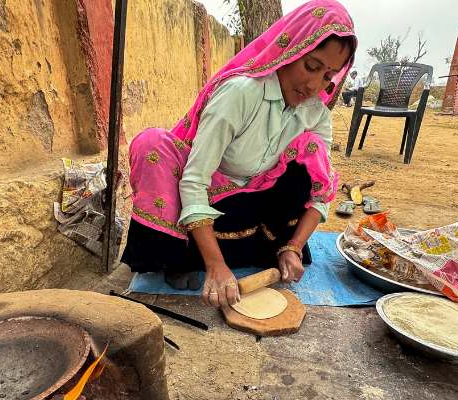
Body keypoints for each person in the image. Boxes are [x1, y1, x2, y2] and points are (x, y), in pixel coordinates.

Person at [121, 0, 357, 309]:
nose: (315, 85)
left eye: (328, 76)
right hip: (208, 203)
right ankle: (187, 258)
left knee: (308, 163)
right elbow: (193, 181)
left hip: (254, 209)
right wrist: (216, 266)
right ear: (291, 50)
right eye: (311, 66)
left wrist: (294, 248)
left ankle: (274, 249)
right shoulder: (241, 93)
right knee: (151, 145)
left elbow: (321, 194)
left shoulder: (315, 116)